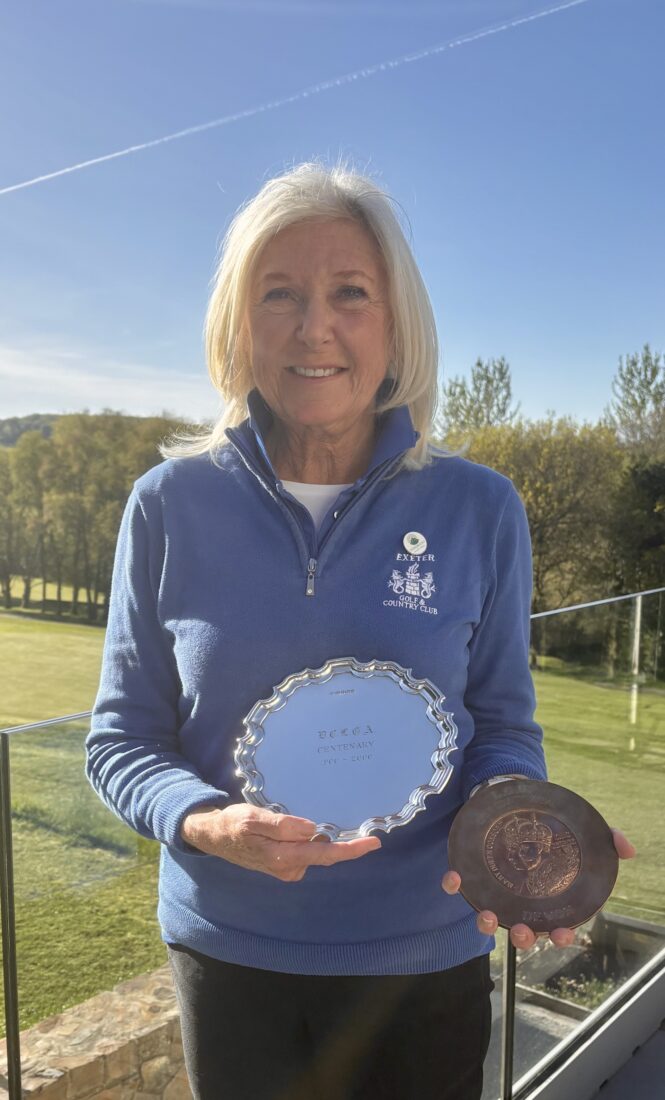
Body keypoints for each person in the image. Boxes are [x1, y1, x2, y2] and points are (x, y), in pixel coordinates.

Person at [86, 163, 634, 1100]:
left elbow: (503, 723)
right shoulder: (167, 505)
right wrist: (208, 821)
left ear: (397, 324)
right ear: (237, 323)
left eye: (350, 293)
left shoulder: (479, 508)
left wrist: (516, 824)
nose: (314, 328)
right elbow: (120, 742)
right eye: (279, 295)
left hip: (424, 958)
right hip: (231, 954)